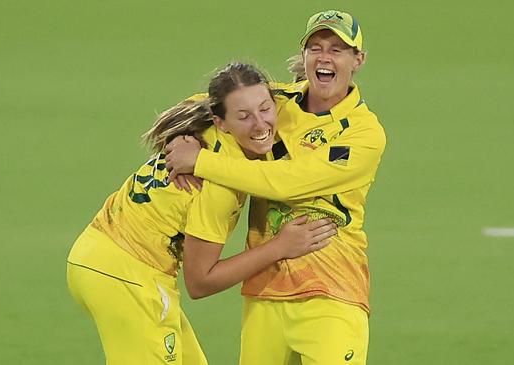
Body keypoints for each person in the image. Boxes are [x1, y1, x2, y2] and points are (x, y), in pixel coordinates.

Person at [66, 62, 337, 365]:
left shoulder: (202, 116)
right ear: (221, 122)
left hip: (95, 256)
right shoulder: (219, 186)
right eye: (244, 116)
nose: (260, 125)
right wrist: (280, 247)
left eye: (265, 109)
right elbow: (200, 281)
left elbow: (197, 106)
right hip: (128, 275)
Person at [165, 10, 386, 365]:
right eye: (315, 48)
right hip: (265, 293)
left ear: (358, 60)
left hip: (331, 292)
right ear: (304, 57)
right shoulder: (275, 102)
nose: (324, 57)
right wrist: (179, 137)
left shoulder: (364, 134)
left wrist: (201, 162)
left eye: (337, 49)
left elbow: (288, 183)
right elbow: (211, 104)